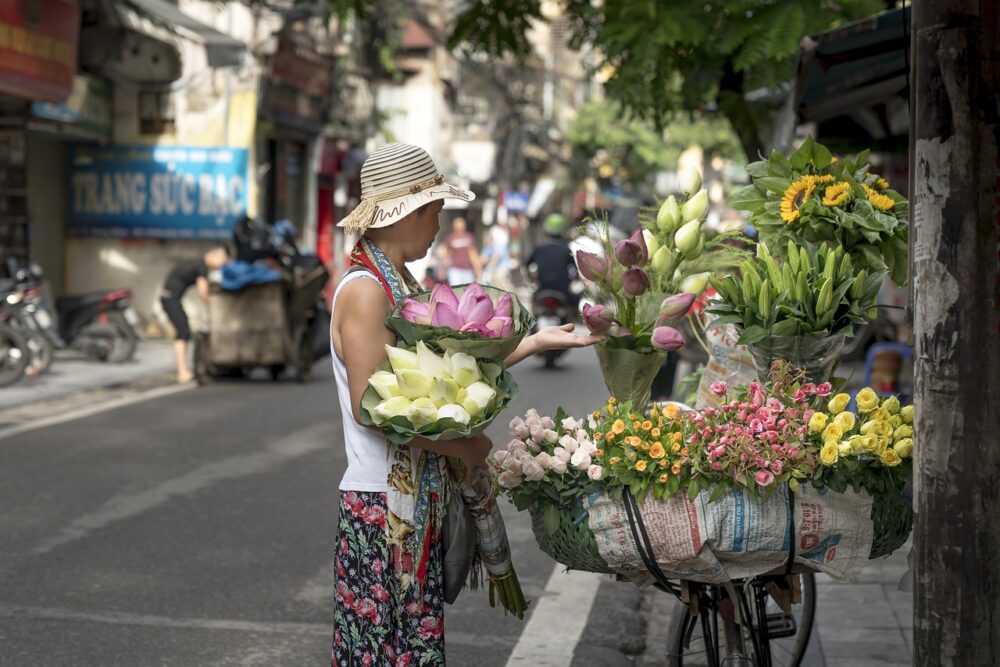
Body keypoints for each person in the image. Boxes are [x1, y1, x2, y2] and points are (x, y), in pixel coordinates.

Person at [329, 143, 602, 666]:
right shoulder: (366, 292)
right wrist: (465, 443)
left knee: (411, 647)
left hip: (410, 505)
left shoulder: (400, 284)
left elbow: (452, 377)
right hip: (382, 509)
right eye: (433, 211)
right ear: (403, 212)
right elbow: (373, 408)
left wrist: (538, 343)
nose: (438, 224)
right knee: (385, 652)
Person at [160, 246, 230, 383]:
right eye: (223, 262)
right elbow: (202, 292)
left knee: (184, 332)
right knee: (183, 332)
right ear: (216, 255)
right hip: (170, 298)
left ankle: (183, 370)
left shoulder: (197, 262)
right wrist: (216, 308)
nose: (221, 266)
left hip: (171, 298)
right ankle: (182, 372)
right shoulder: (201, 266)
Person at [526, 213, 578, 309]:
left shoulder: (539, 249)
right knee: (574, 304)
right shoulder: (566, 250)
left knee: (533, 308)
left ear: (546, 230)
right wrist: (574, 280)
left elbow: (527, 265)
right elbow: (575, 270)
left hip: (542, 289)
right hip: (563, 292)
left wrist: (532, 279)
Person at [442, 216, 481, 285]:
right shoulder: (450, 238)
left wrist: (478, 269)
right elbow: (447, 254)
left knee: (468, 291)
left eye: (461, 224)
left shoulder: (469, 237)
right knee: (456, 291)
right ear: (454, 226)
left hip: (467, 270)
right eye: (457, 225)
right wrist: (442, 269)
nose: (459, 226)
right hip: (455, 270)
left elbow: (473, 254)